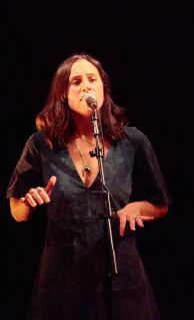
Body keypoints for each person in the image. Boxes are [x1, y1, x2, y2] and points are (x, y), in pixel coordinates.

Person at [7, 53, 170, 320]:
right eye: (76, 81)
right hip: (61, 283)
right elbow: (16, 210)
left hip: (122, 281)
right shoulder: (41, 144)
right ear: (62, 94)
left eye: (93, 80)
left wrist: (137, 208)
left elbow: (160, 203)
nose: (86, 87)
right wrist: (28, 201)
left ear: (103, 90)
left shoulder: (133, 141)